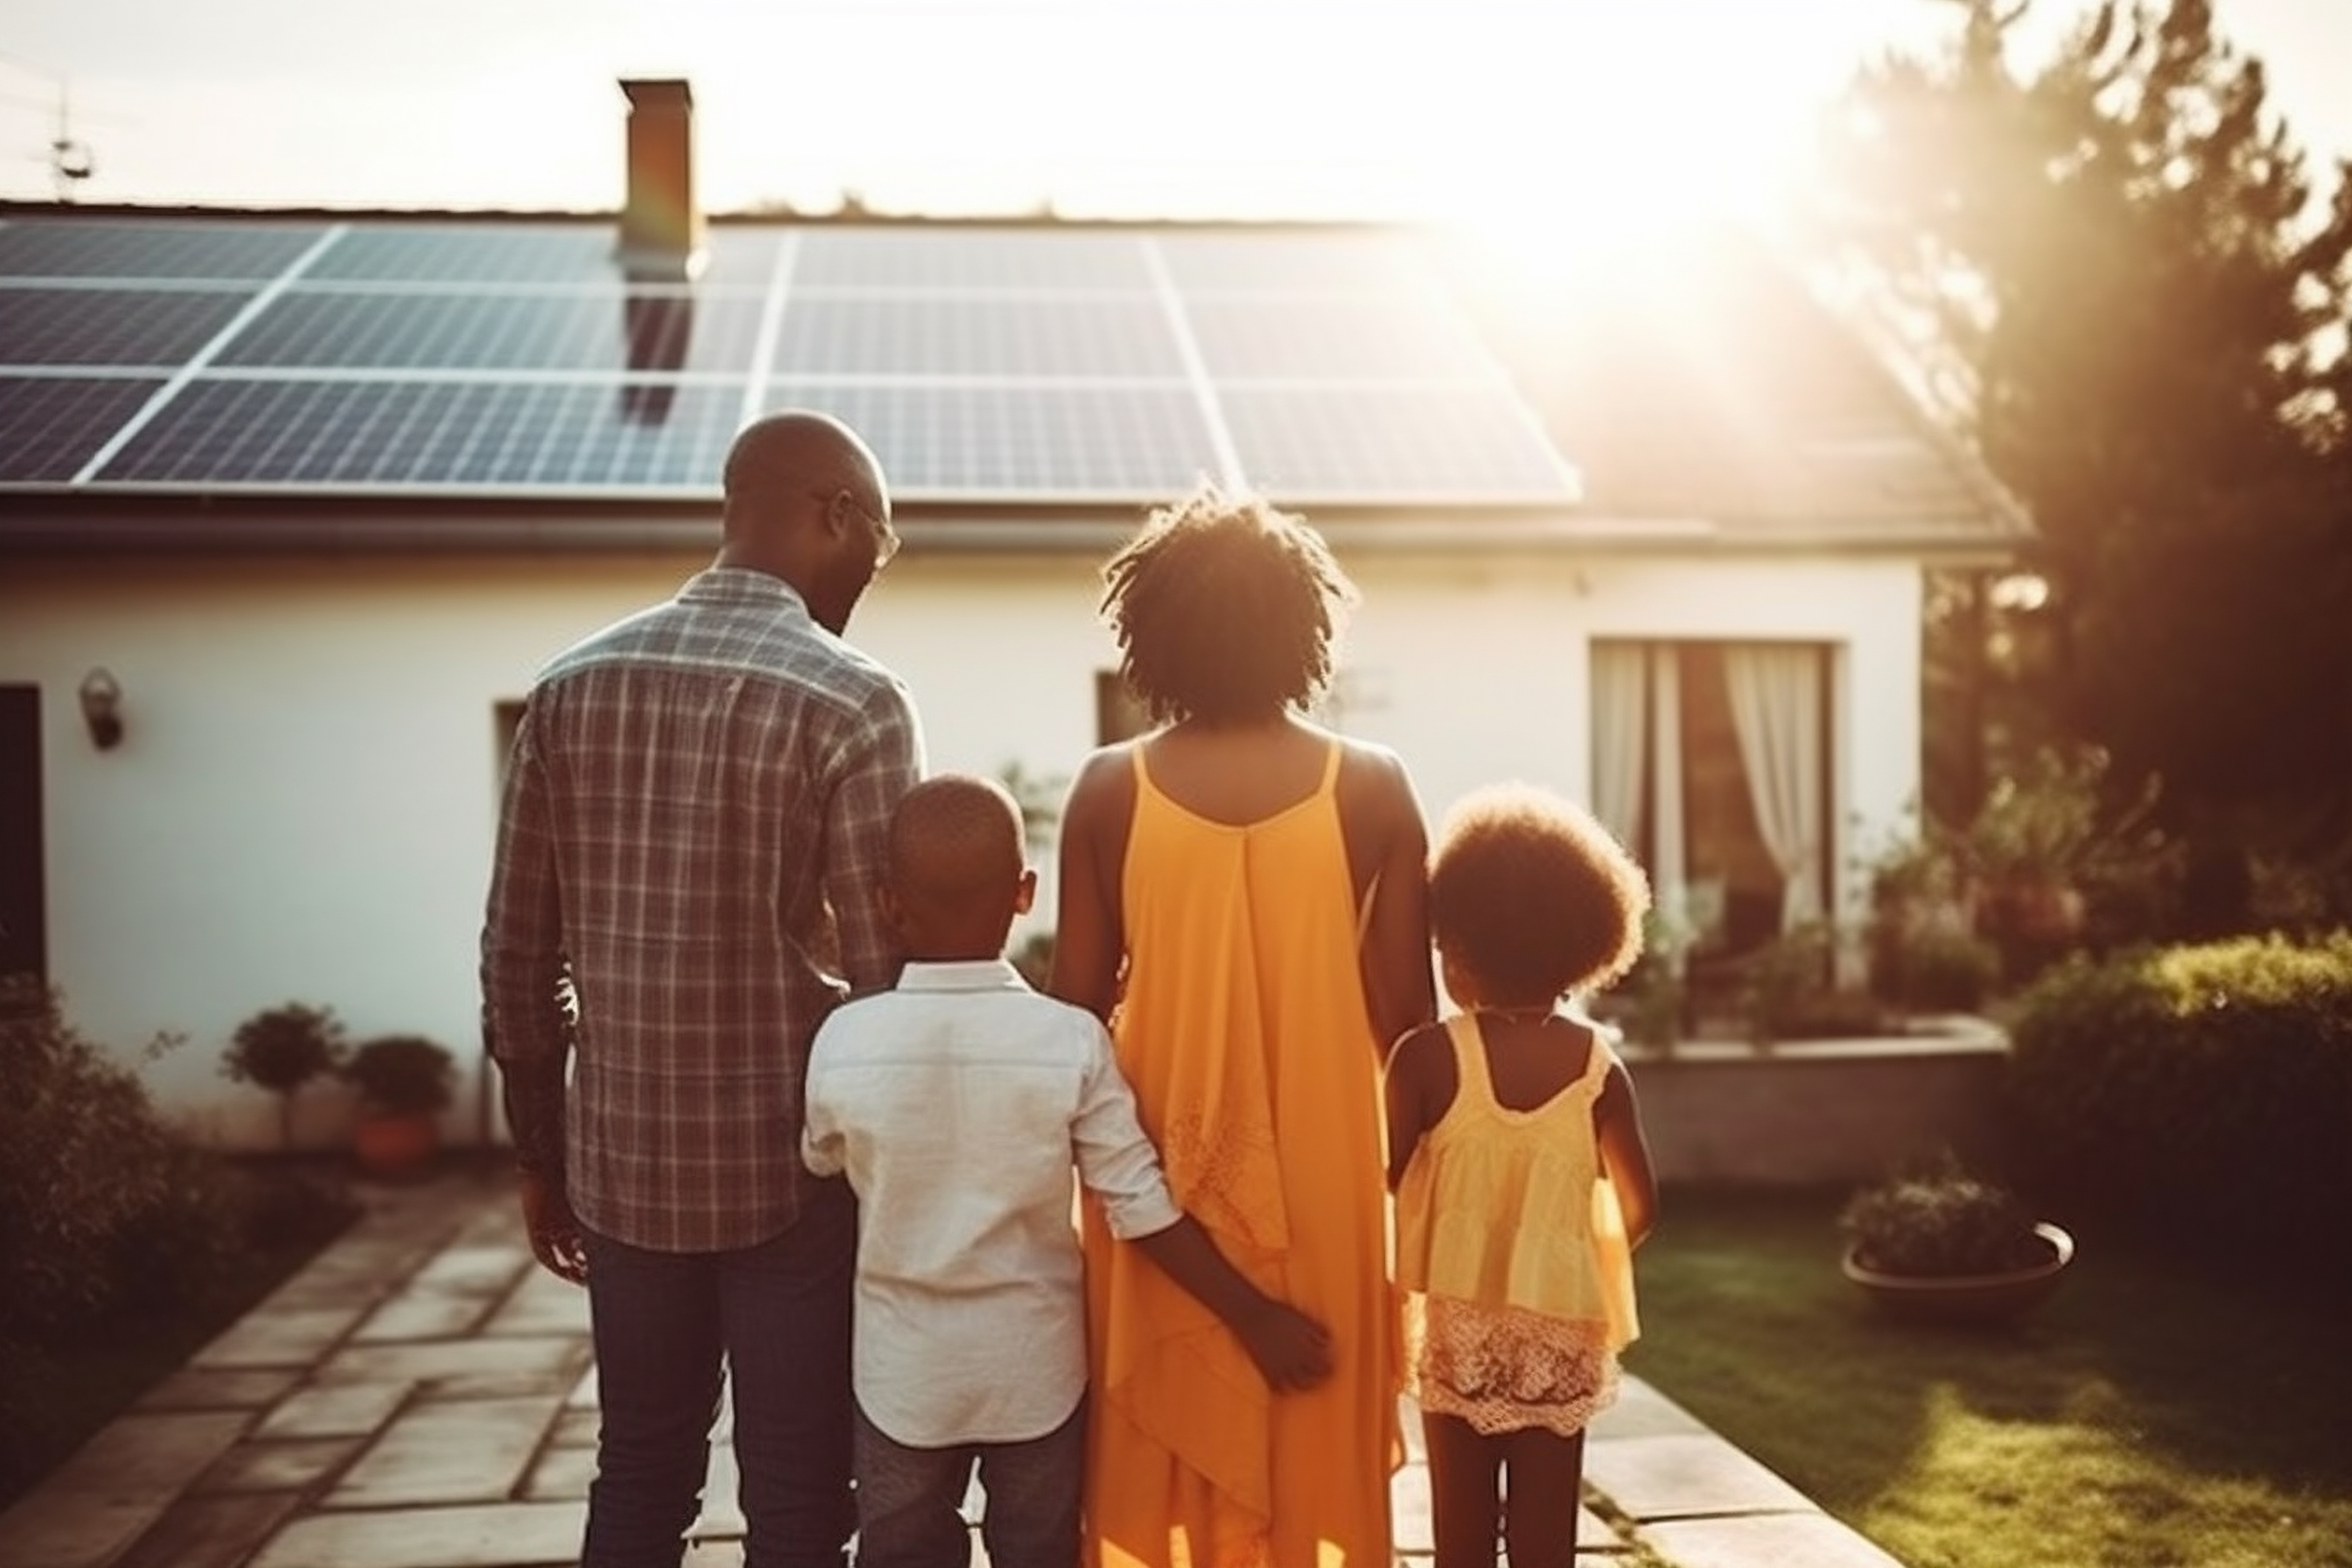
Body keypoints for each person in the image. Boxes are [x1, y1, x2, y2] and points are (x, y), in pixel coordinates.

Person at [479, 409, 920, 1568]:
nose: (874, 569)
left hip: (620, 1167)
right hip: (795, 1175)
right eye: (877, 539)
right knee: (795, 1488)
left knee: (638, 1471)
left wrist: (540, 1155)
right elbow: (883, 980)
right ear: (835, 513)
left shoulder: (570, 688)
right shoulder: (853, 699)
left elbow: (518, 954)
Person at [802, 772, 1335, 1568]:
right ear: (1024, 893)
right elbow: (1141, 1206)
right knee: (1041, 1549)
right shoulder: (1070, 1040)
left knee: (900, 1552)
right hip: (1039, 1370)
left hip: (901, 1374)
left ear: (886, 903)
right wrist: (1254, 1316)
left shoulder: (845, 1040)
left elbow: (823, 1157)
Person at [1049, 483, 1436, 1568]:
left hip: (1157, 1173)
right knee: (1317, 1451)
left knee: (1167, 1450)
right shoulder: (1372, 786)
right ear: (1303, 626)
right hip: (1330, 1184)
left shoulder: (1106, 790)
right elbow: (1412, 1027)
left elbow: (1075, 1025)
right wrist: (1410, 1204)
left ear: (1152, 629)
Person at [1384, 782, 1660, 1568]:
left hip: (1459, 1323)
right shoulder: (1598, 1069)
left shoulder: (1428, 1057)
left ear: (1462, 947)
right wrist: (1559, 1252)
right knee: (1547, 1543)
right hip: (1562, 1327)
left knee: (1461, 1537)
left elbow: (1388, 1181)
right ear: (1583, 941)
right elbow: (1641, 1207)